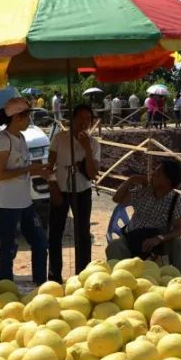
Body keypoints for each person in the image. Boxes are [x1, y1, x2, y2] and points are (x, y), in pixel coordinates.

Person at [0, 98, 49, 284]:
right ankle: (6, 286)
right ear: (17, 117)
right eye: (27, 117)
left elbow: (24, 165)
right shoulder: (3, 140)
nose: (29, 121)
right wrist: (28, 170)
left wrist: (40, 169)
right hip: (8, 204)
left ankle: (40, 283)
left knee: (40, 242)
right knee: (9, 248)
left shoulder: (21, 138)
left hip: (25, 201)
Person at [106, 160, 181, 273]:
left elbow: (178, 230)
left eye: (158, 173)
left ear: (168, 181)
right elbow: (117, 198)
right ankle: (119, 281)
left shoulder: (177, 200)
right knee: (114, 247)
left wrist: (158, 239)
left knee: (180, 244)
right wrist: (131, 180)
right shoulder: (143, 191)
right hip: (132, 239)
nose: (153, 175)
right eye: (154, 171)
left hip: (159, 245)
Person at [47, 104, 100, 281]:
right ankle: (54, 276)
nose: (84, 122)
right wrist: (53, 188)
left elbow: (93, 174)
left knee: (83, 234)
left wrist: (87, 148)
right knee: (55, 233)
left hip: (82, 190)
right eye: (81, 118)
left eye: (88, 119)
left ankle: (83, 275)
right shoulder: (60, 138)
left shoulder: (93, 143)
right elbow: (49, 167)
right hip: (60, 188)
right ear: (73, 119)